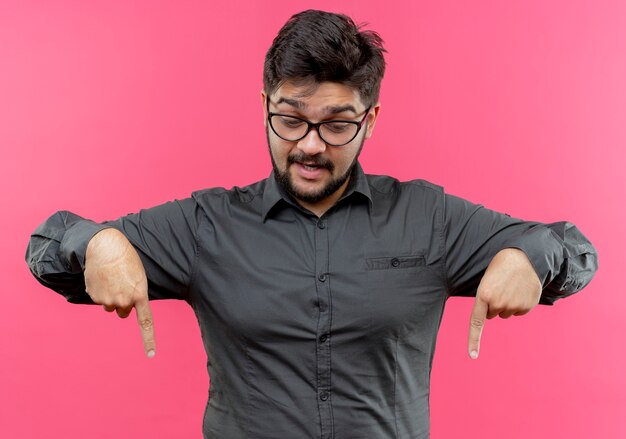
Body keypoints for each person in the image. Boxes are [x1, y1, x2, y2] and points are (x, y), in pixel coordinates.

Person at [25, 9, 597, 439]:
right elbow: (48, 244)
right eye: (290, 120)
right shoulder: (205, 225)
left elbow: (573, 249)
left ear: (370, 120)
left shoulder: (430, 219)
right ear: (265, 105)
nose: (310, 145)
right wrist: (97, 242)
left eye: (337, 124)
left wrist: (530, 257)